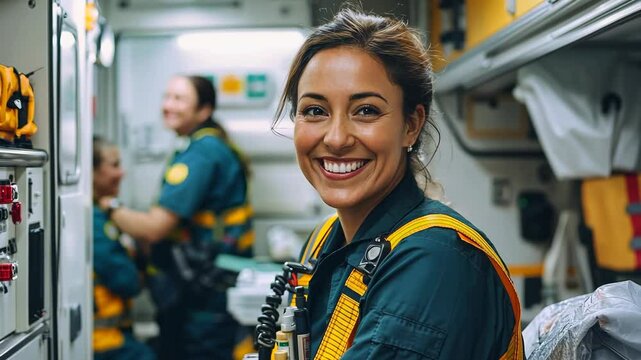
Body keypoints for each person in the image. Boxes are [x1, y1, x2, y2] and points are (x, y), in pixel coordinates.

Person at [272, 9, 524, 359]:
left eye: (366, 111)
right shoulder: (323, 241)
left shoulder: (437, 259)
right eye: (315, 110)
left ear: (411, 125)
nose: (336, 138)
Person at [99, 75, 254, 360]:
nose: (168, 105)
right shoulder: (204, 145)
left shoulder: (201, 153)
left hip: (204, 291)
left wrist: (108, 206)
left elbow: (155, 228)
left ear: (204, 110)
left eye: (179, 99)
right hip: (210, 282)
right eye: (167, 97)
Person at [92, 136, 155, 360]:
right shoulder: (94, 223)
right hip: (103, 342)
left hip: (117, 335)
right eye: (114, 165)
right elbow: (127, 282)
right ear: (92, 172)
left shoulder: (103, 216)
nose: (122, 173)